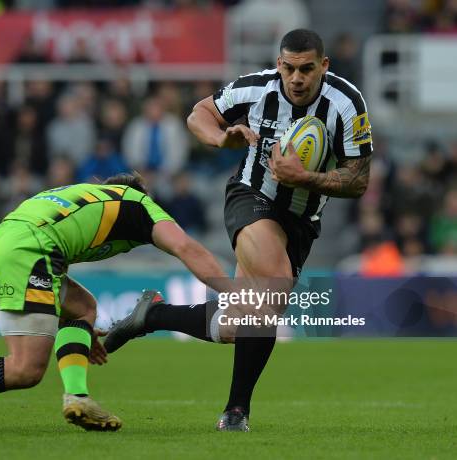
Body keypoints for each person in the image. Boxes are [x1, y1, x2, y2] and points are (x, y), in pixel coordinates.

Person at [105, 29, 372, 431]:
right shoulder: (257, 89)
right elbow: (199, 112)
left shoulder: (347, 104)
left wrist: (305, 178)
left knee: (240, 323)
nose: (296, 78)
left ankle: (152, 316)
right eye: (288, 68)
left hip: (302, 221)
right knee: (273, 285)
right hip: (251, 196)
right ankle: (236, 412)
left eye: (306, 69)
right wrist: (219, 138)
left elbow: (359, 180)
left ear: (324, 66)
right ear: (278, 64)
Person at [0, 173, 229, 433]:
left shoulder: (86, 195)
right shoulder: (139, 205)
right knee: (25, 369)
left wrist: (80, 338)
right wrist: (235, 295)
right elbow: (187, 248)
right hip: (31, 250)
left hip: (2, 241)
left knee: (83, 309)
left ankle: (78, 397)